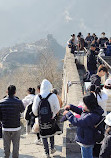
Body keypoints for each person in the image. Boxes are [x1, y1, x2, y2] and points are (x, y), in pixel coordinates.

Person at [32, 79, 60, 158]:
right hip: (51, 118)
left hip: (41, 119)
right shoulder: (53, 96)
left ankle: (46, 152)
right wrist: (53, 114)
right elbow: (57, 108)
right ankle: (52, 148)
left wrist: (39, 115)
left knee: (43, 135)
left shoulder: (37, 97)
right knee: (51, 133)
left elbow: (34, 110)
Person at [0, 85, 24, 158]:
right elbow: (22, 110)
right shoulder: (19, 102)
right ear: (15, 92)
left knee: (6, 148)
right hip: (16, 127)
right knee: (16, 148)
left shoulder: (1, 102)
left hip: (5, 127)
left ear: (7, 92)